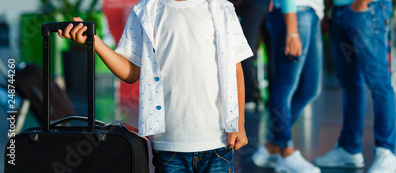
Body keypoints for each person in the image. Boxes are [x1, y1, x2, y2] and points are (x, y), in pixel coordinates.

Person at [58, 0, 253, 172]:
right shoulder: (145, 11)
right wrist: (96, 43)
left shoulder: (222, 9)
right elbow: (131, 72)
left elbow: (235, 71)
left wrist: (239, 124)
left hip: (217, 143)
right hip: (168, 147)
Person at [314, 0, 396, 172]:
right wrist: (329, 9)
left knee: (378, 81)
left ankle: (387, 152)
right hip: (338, 11)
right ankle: (349, 148)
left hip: (366, 8)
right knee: (350, 83)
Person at [250, 0, 324, 172]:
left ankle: (272, 145)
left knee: (310, 88)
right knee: (285, 86)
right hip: (294, 12)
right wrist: (291, 31)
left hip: (312, 12)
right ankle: (286, 152)